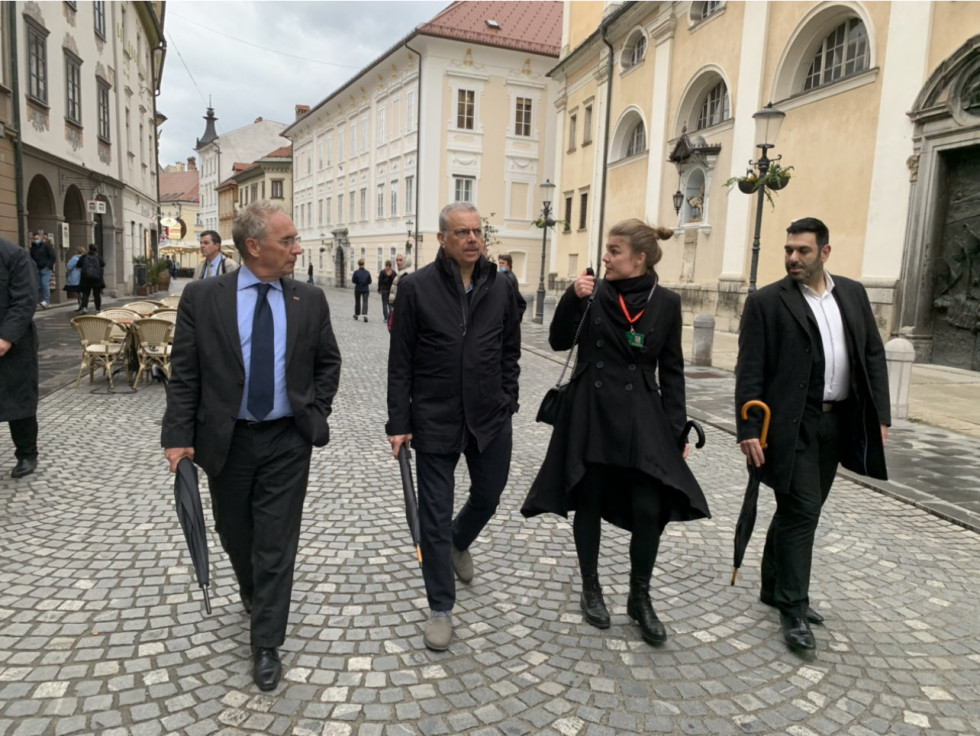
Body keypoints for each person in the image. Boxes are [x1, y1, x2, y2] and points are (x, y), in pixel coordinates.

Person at [162, 200, 342, 691]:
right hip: (227, 439)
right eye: (287, 241)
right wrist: (178, 437)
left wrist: (316, 410)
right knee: (234, 532)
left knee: (275, 541)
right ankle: (251, 589)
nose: (296, 249)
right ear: (253, 246)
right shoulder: (204, 297)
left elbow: (328, 362)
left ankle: (266, 642)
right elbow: (185, 374)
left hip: (288, 438)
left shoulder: (310, 298)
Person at [522, 219, 709, 646]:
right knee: (589, 497)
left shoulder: (667, 302)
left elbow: (673, 371)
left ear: (640, 258)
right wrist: (572, 298)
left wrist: (676, 430)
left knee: (649, 506)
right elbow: (557, 341)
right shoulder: (594, 292)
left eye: (615, 250)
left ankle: (639, 598)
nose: (605, 257)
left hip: (643, 416)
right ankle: (591, 586)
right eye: (606, 249)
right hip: (591, 410)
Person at [735, 216, 890, 654]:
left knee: (799, 508)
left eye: (802, 250)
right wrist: (748, 428)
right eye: (788, 250)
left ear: (824, 252)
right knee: (802, 511)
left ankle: (771, 585)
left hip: (837, 422)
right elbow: (749, 369)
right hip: (791, 425)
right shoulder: (767, 301)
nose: (792, 258)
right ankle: (793, 607)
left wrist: (881, 416)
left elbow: (873, 354)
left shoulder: (853, 294)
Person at [386, 202, 521, 651]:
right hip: (435, 418)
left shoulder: (501, 285)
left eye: (477, 231)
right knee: (434, 514)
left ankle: (460, 543)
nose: (472, 239)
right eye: (461, 232)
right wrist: (399, 421)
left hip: (489, 417)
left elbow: (509, 350)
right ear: (442, 238)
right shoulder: (416, 288)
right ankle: (441, 608)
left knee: (489, 494)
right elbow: (400, 361)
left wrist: (508, 398)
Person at [1, 237, 40, 479]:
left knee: (18, 401)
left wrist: (6, 337)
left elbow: (26, 299)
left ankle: (26, 454)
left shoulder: (14, 255)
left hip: (14, 344)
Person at [496, 254, 527, 321]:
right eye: (499, 263)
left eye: (503, 263)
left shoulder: (509, 278)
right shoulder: (505, 275)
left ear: (509, 264)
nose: (500, 265)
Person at [29, 231, 56, 309]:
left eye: (37, 238)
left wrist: (48, 266)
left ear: (41, 238)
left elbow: (53, 257)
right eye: (34, 239)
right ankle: (42, 301)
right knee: (40, 285)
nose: (35, 240)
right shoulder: (33, 248)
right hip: (38, 268)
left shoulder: (47, 246)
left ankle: (46, 301)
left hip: (46, 268)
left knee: (44, 284)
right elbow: (31, 258)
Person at [387, 253, 412, 329]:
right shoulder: (401, 272)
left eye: (400, 260)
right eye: (397, 260)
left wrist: (396, 305)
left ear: (405, 261)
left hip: (398, 306)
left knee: (393, 328)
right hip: (394, 305)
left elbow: (404, 292)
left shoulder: (405, 274)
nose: (398, 262)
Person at [78, 244, 105, 314]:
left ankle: (84, 308)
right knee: (97, 294)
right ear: (96, 250)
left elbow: (78, 265)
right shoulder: (98, 257)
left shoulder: (84, 257)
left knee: (86, 294)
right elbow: (103, 264)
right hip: (96, 279)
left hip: (86, 278)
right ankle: (97, 309)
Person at [64, 245, 85, 311]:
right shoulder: (85, 258)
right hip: (84, 278)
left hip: (76, 278)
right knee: (83, 292)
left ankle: (80, 305)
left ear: (77, 251)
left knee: (78, 292)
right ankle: (84, 306)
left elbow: (69, 267)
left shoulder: (74, 258)